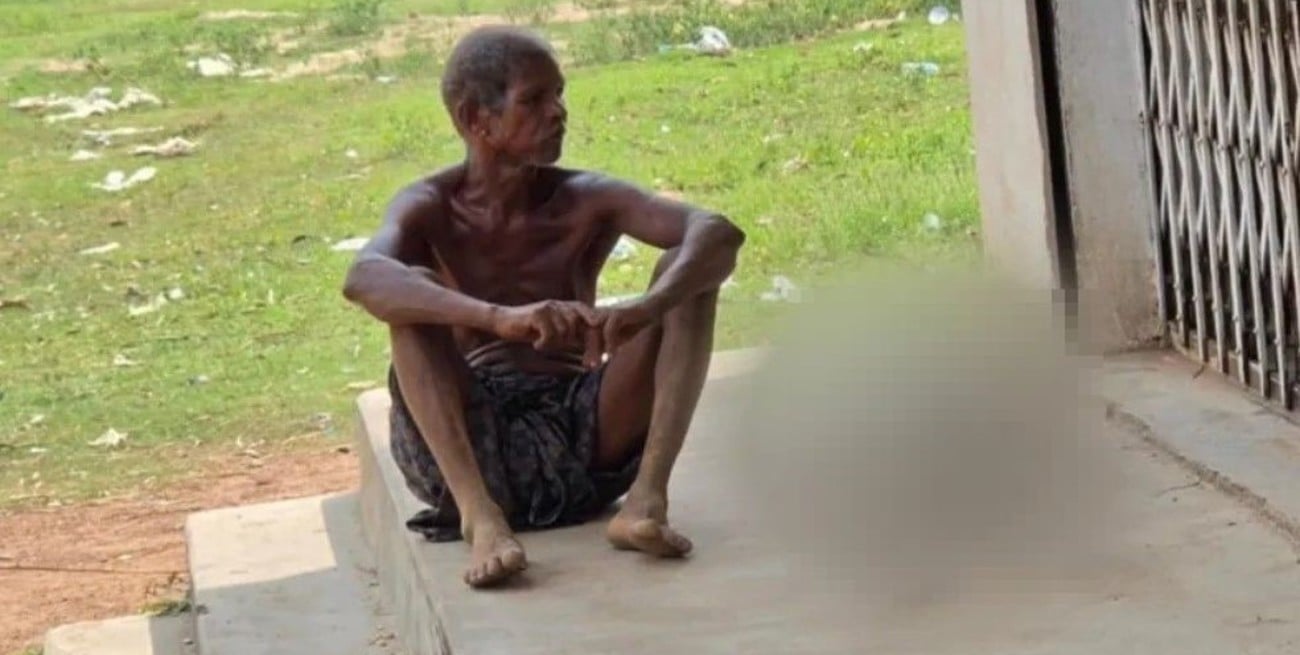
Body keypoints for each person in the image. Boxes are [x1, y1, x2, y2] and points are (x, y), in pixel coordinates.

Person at [342, 25, 745, 589]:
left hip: (584, 434)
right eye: (534, 100)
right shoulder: (429, 205)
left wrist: (645, 309)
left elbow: (717, 232)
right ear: (474, 119)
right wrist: (497, 319)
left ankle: (646, 501)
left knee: (690, 275)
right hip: (471, 446)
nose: (558, 112)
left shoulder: (586, 198)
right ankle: (481, 519)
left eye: (559, 94)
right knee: (410, 304)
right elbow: (363, 278)